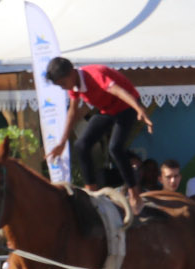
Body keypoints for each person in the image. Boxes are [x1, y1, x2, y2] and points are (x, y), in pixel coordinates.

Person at [43, 56, 155, 210]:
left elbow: (118, 91)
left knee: (115, 148)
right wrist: (62, 143)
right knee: (81, 145)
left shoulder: (93, 75)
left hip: (127, 107)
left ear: (71, 73)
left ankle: (134, 192)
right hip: (108, 110)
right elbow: (72, 112)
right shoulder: (74, 86)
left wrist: (139, 109)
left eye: (63, 83)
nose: (64, 88)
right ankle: (91, 189)